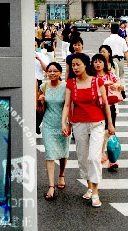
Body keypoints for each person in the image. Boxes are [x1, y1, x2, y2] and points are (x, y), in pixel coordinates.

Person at [62, 52, 115, 207]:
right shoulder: (71, 83)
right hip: (79, 124)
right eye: (73, 65)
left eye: (78, 64)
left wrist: (110, 124)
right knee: (83, 158)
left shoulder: (97, 81)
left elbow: (106, 104)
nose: (75, 67)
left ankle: (96, 192)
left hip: (97, 123)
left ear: (85, 65)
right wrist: (64, 123)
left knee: (94, 158)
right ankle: (89, 187)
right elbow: (67, 105)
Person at [37, 62, 70, 200]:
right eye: (49, 71)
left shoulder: (66, 87)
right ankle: (51, 185)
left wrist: (68, 125)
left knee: (63, 152)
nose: (52, 73)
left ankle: (61, 174)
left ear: (60, 72)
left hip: (63, 124)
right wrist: (40, 101)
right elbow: (39, 109)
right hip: (48, 124)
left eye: (55, 71)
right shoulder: (43, 87)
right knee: (50, 154)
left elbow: (69, 106)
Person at [92, 52, 121, 170]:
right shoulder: (91, 76)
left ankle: (111, 158)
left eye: (100, 62)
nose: (98, 64)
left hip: (110, 105)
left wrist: (115, 85)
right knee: (98, 131)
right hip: (96, 106)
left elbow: (120, 84)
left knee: (109, 131)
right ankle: (102, 153)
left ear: (104, 63)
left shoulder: (110, 74)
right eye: (95, 62)